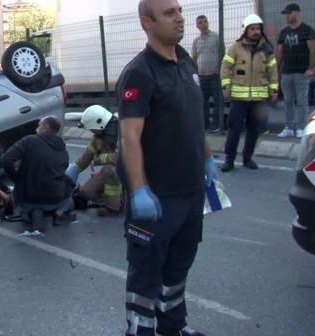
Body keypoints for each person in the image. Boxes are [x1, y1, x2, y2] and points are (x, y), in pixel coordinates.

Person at [116, 1, 219, 335]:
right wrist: (139, 190)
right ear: (147, 22)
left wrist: (207, 159)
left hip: (189, 193)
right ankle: (140, 331)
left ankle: (173, 327)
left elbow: (194, 120)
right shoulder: (139, 73)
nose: (180, 17)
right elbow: (129, 137)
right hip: (157, 198)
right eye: (170, 13)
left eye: (179, 10)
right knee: (146, 275)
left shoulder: (186, 62)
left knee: (177, 269)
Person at [220, 14, 278, 172]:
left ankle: (247, 158)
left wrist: (273, 89)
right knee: (235, 129)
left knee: (254, 130)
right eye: (252, 28)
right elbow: (225, 68)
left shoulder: (267, 49)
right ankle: (229, 160)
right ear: (245, 30)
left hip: (259, 98)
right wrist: (226, 86)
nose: (256, 31)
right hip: (239, 98)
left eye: (258, 28)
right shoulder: (236, 47)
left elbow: (272, 71)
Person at [2, 115, 77, 232]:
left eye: (39, 125)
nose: (36, 129)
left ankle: (32, 215)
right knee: (72, 170)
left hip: (27, 201)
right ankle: (60, 213)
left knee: (26, 206)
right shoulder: (63, 150)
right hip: (53, 201)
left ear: (46, 127)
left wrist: (17, 179)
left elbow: (6, 159)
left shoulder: (29, 141)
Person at [66, 105, 123, 216]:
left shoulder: (120, 134)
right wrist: (74, 169)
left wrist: (98, 160)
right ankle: (115, 196)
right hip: (115, 173)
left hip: (127, 171)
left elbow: (120, 158)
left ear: (101, 125)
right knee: (86, 192)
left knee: (108, 171)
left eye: (93, 129)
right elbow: (87, 156)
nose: (92, 132)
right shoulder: (98, 138)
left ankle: (113, 207)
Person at [277, 3, 315, 139]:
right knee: (288, 101)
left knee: (302, 102)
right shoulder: (284, 32)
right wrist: (277, 70)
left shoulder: (307, 31)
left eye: (289, 13)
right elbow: (280, 53)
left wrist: (310, 68)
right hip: (287, 72)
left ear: (297, 13)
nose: (287, 16)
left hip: (301, 72)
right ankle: (288, 127)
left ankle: (301, 127)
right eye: (286, 14)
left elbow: (313, 51)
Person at [192, 15, 223, 133]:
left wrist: (220, 69)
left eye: (205, 22)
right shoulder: (196, 41)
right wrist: (194, 73)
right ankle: (205, 124)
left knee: (217, 100)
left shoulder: (215, 37)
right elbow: (194, 57)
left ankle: (216, 125)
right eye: (200, 23)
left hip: (214, 74)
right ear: (197, 26)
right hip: (201, 75)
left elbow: (222, 53)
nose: (203, 24)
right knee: (203, 101)